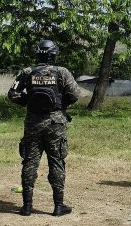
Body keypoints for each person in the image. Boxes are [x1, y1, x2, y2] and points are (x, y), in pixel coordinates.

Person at [7, 39, 81, 216]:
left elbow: (13, 94)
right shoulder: (62, 72)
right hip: (56, 124)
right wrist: (60, 104)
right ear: (53, 55)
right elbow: (75, 94)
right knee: (56, 161)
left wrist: (30, 103)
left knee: (29, 162)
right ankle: (58, 206)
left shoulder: (27, 72)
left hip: (33, 123)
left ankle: (26, 206)